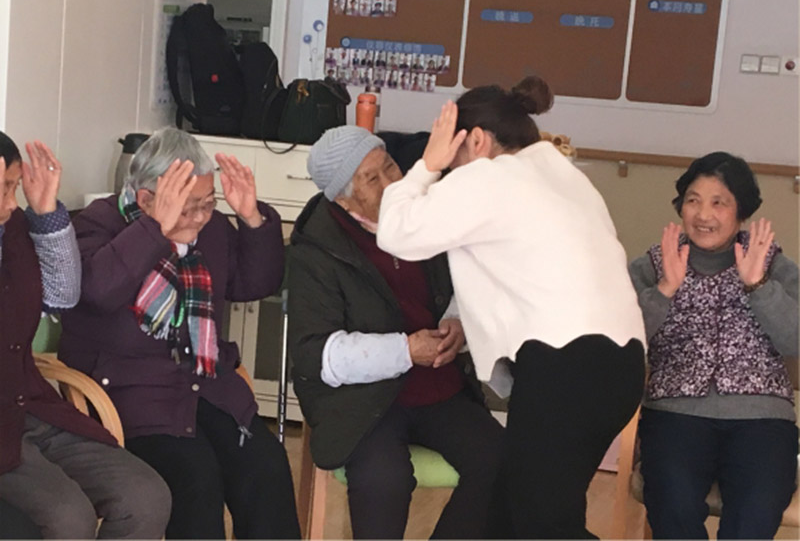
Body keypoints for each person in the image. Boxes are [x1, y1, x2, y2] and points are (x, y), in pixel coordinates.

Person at [376, 77, 646, 539]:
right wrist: (460, 317)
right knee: (508, 511)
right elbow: (515, 265)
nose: (448, 171)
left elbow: (396, 232)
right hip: (619, 366)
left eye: (452, 155)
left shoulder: (489, 176)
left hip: (567, 367)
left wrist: (426, 166)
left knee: (543, 524)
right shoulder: (565, 176)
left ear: (476, 141)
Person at [58, 128, 300, 540]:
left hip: (205, 383)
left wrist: (252, 219)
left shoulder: (212, 229)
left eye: (208, 202)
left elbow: (252, 283)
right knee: (196, 478)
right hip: (129, 393)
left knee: (266, 466)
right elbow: (97, 291)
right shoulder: (97, 223)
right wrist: (155, 230)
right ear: (145, 198)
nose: (201, 217)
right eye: (188, 206)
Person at [289, 126, 505, 539]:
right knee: (384, 480)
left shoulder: (422, 215)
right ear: (342, 199)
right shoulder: (316, 250)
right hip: (362, 402)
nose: (391, 183)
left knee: (500, 459)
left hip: (436, 386)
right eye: (372, 179)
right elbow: (318, 355)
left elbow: (462, 280)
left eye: (390, 166)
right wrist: (406, 350)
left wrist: (456, 321)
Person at [0, 132, 171, 539]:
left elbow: (61, 295)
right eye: (4, 188)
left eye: (14, 187)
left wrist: (45, 212)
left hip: (30, 405)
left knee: (146, 497)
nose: (12, 202)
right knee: (68, 517)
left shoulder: (15, 227)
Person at [628, 152, 798, 539]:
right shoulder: (653, 264)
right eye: (693, 200)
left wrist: (758, 286)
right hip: (675, 412)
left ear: (741, 212)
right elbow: (623, 341)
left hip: (761, 418)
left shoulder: (772, 264)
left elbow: (796, 339)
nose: (704, 214)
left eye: (719, 202)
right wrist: (664, 290)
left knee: (756, 510)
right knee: (672, 502)